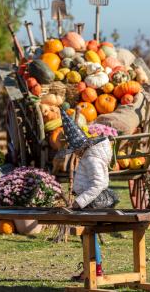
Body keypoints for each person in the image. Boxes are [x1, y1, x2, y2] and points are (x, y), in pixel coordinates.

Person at [57, 109, 119, 279]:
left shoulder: (91, 158)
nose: (74, 154)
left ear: (81, 147)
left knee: (88, 233)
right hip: (88, 202)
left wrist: (78, 202)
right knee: (88, 235)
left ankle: (94, 270)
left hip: (92, 203)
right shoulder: (89, 156)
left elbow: (98, 184)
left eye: (74, 150)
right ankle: (91, 269)